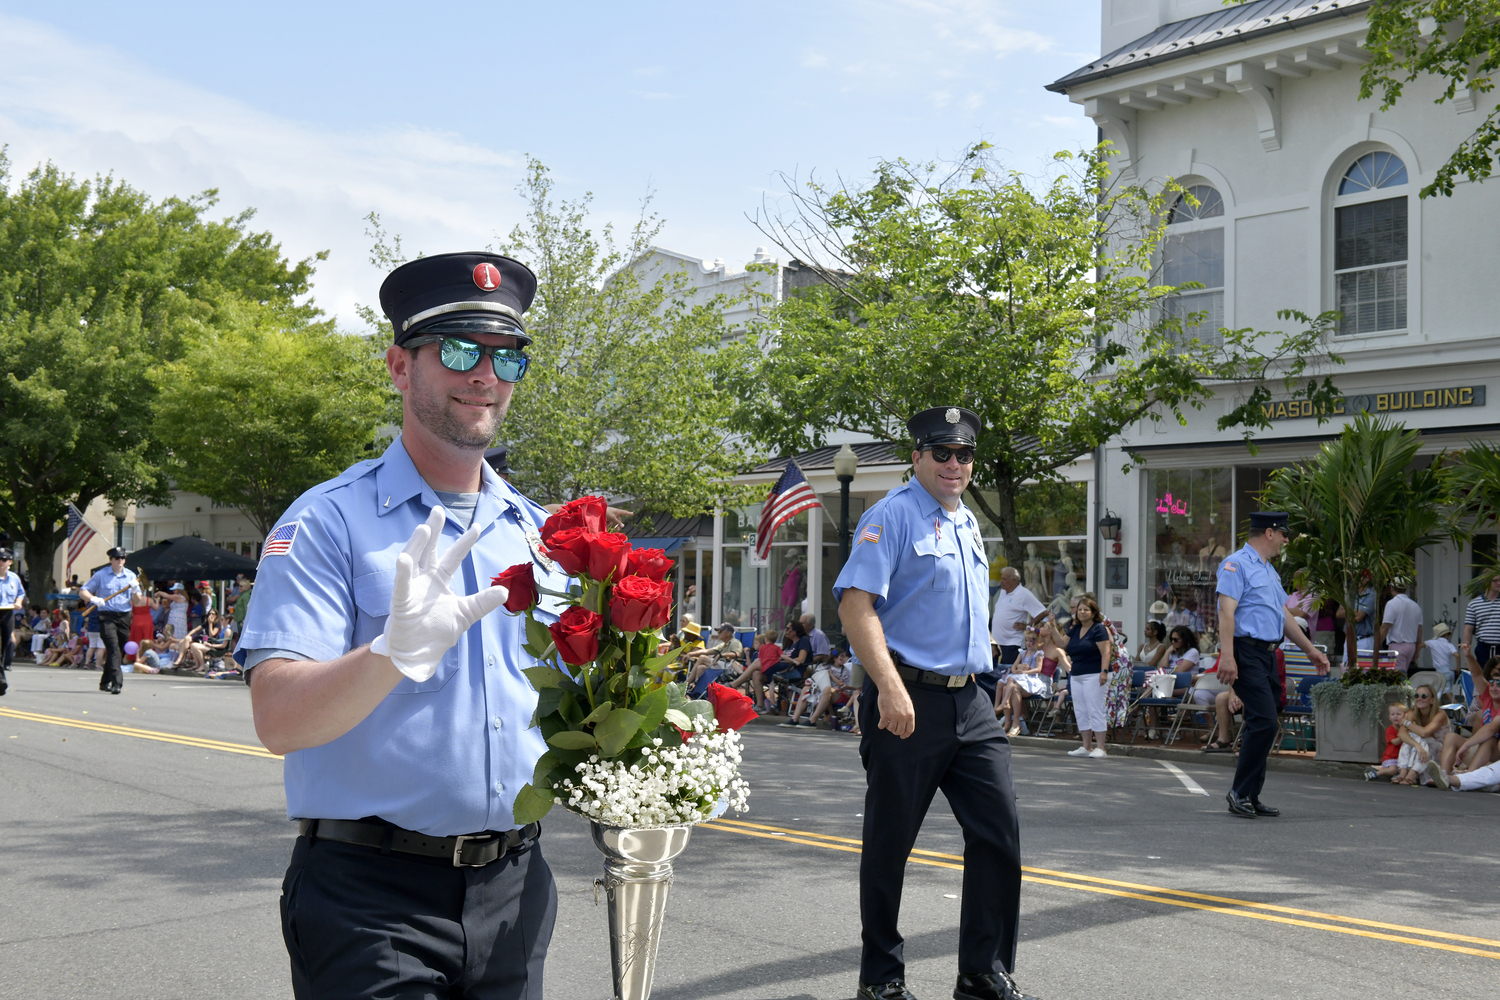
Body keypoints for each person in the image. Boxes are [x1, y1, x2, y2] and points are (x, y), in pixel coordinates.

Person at [238, 251, 568, 999]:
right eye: (458, 350)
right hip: (371, 899)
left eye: (506, 355)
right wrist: (389, 655)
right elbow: (279, 719)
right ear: (399, 367)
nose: (485, 374)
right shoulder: (327, 520)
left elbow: (573, 707)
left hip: (516, 889)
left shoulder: (540, 535)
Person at [834, 405, 1036, 1000]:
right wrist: (890, 687)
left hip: (969, 702)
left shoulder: (966, 521)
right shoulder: (892, 515)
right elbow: (855, 606)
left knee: (999, 834)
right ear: (917, 456)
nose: (954, 464)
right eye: (941, 453)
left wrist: (991, 672)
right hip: (906, 699)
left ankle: (981, 972)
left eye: (964, 454)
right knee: (891, 844)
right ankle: (881, 978)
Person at [1216, 511, 1330, 817]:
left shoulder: (1268, 570)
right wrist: (1227, 656)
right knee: (1265, 721)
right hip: (1245, 651)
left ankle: (1250, 795)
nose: (1285, 540)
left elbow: (1284, 616)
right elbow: (1226, 613)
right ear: (1269, 532)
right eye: (1283, 534)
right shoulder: (1235, 564)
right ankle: (1239, 791)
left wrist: (1310, 651)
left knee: (1264, 722)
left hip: (1267, 654)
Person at [1044, 596, 1112, 758]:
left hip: (1094, 674)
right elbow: (1062, 644)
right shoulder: (1075, 629)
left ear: (1093, 612)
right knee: (1081, 710)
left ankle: (1101, 747)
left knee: (1095, 709)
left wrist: (1104, 671)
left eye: (1085, 610)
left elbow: (1106, 652)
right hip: (1076, 675)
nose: (1081, 612)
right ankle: (1086, 746)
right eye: (1079, 610)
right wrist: (1053, 626)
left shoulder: (1098, 629)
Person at [78, 547, 142, 694]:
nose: (120, 560)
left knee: (118, 650)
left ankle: (105, 682)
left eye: (122, 558)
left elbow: (137, 601)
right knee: (112, 647)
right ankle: (117, 682)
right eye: (117, 558)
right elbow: (83, 591)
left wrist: (134, 590)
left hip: (124, 616)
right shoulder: (100, 575)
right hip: (106, 615)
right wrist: (93, 598)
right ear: (111, 560)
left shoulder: (131, 576)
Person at [988, 566, 1045, 703]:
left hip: (1011, 644)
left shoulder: (1024, 594)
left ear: (1014, 579)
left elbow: (1042, 612)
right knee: (998, 679)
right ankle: (1001, 710)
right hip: (997, 644)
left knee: (1011, 680)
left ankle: (1018, 716)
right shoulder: (1003, 592)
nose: (1001, 581)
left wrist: (1028, 626)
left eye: (1004, 579)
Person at [1394, 684, 1448, 785]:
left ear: (1432, 700)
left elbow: (1425, 732)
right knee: (1412, 738)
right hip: (1423, 750)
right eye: (1416, 696)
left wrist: (1406, 723)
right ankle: (1403, 771)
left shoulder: (1440, 714)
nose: (1419, 699)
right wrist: (1417, 746)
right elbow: (1401, 734)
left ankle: (1412, 775)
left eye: (1423, 696)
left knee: (1419, 737)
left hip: (1441, 753)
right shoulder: (1413, 712)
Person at [1378, 580, 1424, 675]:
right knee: (1402, 673)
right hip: (1411, 646)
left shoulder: (1392, 604)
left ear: (1391, 588)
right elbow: (1420, 631)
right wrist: (1417, 649)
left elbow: (1385, 627)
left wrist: (1376, 644)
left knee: (1397, 677)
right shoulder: (1416, 606)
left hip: (1397, 645)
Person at [1462, 572, 1500, 675]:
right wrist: (1467, 653)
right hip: (1484, 647)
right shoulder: (1474, 604)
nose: (1498, 583)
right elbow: (1468, 629)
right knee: (1483, 676)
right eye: (1495, 581)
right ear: (1485, 582)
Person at [0, 548, 24, 695]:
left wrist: (19, 602)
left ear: (10, 562)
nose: (0, 563)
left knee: (6, 643)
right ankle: (1, 680)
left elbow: (21, 593)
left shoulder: (14, 578)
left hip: (7, 613)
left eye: (3, 560)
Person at [1366, 702, 1407, 782]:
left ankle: (1395, 775)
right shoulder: (1389, 730)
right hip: (1390, 757)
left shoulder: (1406, 728)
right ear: (1389, 717)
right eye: (1392, 714)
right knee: (1393, 770)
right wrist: (1404, 735)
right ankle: (1376, 773)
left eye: (1398, 714)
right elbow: (1395, 742)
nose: (1395, 716)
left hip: (1402, 758)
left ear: (1405, 716)